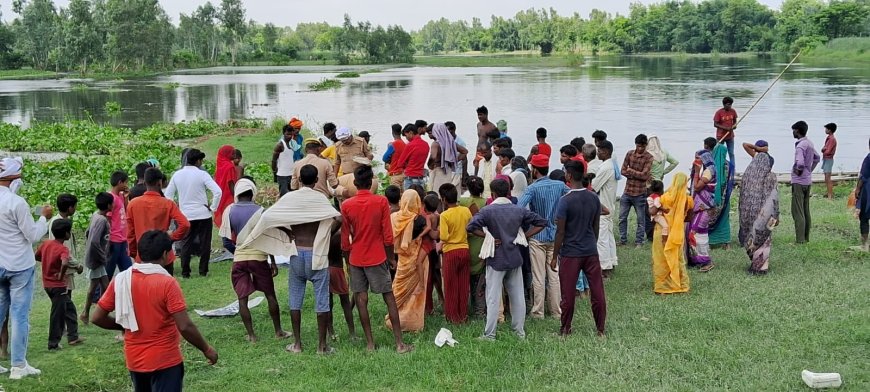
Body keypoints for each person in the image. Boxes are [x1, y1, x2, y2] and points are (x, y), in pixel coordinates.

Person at [92, 230, 218, 392]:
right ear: (165, 254)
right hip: (165, 361)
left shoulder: (121, 279)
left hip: (135, 361)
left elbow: (97, 317)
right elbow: (185, 326)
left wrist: (124, 326)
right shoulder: (167, 283)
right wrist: (207, 349)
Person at [340, 166, 413, 353]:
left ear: (355, 183)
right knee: (388, 296)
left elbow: (345, 238)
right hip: (377, 256)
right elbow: (387, 236)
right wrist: (391, 258)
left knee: (361, 299)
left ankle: (370, 344)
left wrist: (348, 260)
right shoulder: (381, 202)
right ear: (372, 182)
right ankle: (399, 343)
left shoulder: (347, 205)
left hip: (356, 258)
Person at [467, 179, 546, 341]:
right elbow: (541, 222)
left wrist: (488, 236)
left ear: (493, 193)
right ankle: (519, 332)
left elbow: (471, 227)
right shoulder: (518, 210)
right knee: (517, 296)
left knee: (493, 297)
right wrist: (525, 235)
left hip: (496, 259)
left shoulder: (487, 211)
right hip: (514, 257)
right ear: (509, 191)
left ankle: (490, 334)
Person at [218, 178, 289, 343]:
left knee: (242, 299)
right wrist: (271, 260)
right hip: (259, 257)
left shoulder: (229, 210)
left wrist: (239, 252)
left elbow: (226, 241)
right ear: (252, 192)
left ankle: (251, 335)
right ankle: (278, 331)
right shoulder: (262, 211)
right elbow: (269, 238)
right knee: (270, 295)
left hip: (240, 259)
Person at [0, 157, 52, 378]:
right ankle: (18, 366)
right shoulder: (17, 203)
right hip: (20, 266)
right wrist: (43, 218)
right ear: (13, 178)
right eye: (19, 176)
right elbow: (32, 235)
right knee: (19, 315)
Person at [551, 160, 607, 336]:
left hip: (571, 253)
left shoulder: (565, 201)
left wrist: (554, 256)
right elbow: (595, 226)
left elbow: (560, 232)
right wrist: (591, 243)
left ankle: (565, 328)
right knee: (597, 291)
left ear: (568, 175)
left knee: (567, 294)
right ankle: (600, 329)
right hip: (590, 251)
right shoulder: (593, 198)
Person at [518, 154, 568, 320]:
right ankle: (556, 311)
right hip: (555, 236)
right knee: (554, 275)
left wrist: (529, 217)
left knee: (538, 276)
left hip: (537, 236)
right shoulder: (560, 185)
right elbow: (573, 197)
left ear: (534, 170)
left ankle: (538, 311)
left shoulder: (532, 188)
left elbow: (519, 207)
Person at [165, 149, 222, 278]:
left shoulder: (177, 175)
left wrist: (176, 208)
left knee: (186, 243)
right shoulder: (202, 174)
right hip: (203, 214)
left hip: (185, 215)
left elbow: (168, 195)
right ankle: (203, 271)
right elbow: (218, 192)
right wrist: (213, 207)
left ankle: (186, 272)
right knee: (205, 243)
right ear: (198, 161)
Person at [126, 168, 190, 275]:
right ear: (160, 183)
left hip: (142, 255)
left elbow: (130, 234)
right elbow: (185, 225)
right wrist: (171, 237)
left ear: (145, 182)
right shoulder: (168, 204)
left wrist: (133, 253)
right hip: (164, 255)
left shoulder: (132, 204)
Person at [37, 219, 85, 351]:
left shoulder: (46, 244)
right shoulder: (63, 248)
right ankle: (53, 344)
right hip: (58, 285)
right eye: (69, 231)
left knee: (69, 309)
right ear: (66, 234)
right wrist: (60, 273)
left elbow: (37, 256)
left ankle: (73, 336)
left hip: (47, 284)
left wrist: (47, 262)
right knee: (57, 314)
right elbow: (64, 262)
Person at [388, 190, 430, 332]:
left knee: (398, 289)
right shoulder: (419, 220)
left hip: (401, 259)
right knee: (414, 292)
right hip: (416, 258)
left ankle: (394, 318)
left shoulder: (393, 217)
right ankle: (411, 321)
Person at [652, 173, 692, 294]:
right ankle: (681, 285)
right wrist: (677, 217)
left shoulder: (665, 198)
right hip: (677, 233)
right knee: (678, 259)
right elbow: (689, 218)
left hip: (661, 232)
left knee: (661, 258)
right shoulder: (688, 200)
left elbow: (653, 211)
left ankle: (662, 287)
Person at [740, 152, 780, 274]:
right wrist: (776, 215)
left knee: (751, 235)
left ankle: (754, 262)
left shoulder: (748, 175)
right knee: (764, 239)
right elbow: (774, 198)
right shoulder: (770, 177)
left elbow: (742, 196)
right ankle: (760, 267)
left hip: (747, 214)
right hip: (765, 214)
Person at [438, 184, 472, 324]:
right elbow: (470, 229)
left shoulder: (444, 215)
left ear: (444, 199)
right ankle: (463, 315)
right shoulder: (466, 211)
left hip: (450, 252)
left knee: (451, 285)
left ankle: (452, 317)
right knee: (463, 285)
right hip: (464, 249)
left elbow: (444, 237)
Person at [687, 139, 722, 272]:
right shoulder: (705, 169)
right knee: (695, 232)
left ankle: (707, 261)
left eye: (698, 158)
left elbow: (697, 187)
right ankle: (697, 259)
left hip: (705, 206)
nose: (696, 161)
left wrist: (696, 171)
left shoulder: (708, 171)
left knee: (698, 233)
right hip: (700, 206)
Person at [80, 192, 114, 325]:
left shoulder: (96, 215)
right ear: (108, 205)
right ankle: (86, 313)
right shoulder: (102, 220)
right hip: (96, 259)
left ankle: (102, 311)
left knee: (105, 285)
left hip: (95, 257)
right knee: (94, 287)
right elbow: (94, 241)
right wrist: (102, 256)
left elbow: (87, 232)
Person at [590, 141, 620, 276]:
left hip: (603, 207)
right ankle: (612, 261)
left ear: (607, 152)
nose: (598, 153)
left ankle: (604, 267)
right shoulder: (611, 164)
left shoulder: (606, 168)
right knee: (608, 235)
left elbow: (594, 187)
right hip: (610, 204)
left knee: (602, 238)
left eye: (600, 151)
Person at [459, 176, 487, 316]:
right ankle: (479, 309)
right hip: (481, 243)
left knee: (466, 278)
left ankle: (465, 307)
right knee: (480, 280)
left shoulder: (463, 201)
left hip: (466, 242)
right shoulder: (487, 203)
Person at [619, 134, 653, 247]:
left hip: (640, 193)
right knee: (622, 218)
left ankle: (639, 241)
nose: (640, 149)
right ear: (635, 145)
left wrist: (631, 171)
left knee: (641, 220)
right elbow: (622, 170)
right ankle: (623, 239)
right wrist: (635, 174)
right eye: (639, 146)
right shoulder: (629, 154)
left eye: (642, 146)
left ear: (646, 145)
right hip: (627, 191)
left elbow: (644, 175)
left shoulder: (649, 157)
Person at [791, 121, 821, 244]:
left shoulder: (800, 146)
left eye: (793, 130)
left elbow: (800, 163)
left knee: (797, 211)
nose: (793, 132)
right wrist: (809, 171)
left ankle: (800, 240)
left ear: (797, 130)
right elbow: (817, 158)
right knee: (805, 209)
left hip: (798, 182)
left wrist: (799, 171)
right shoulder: (809, 143)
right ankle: (806, 237)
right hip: (807, 181)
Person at [47, 194, 81, 289]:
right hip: (63, 267)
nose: (75, 209)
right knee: (65, 295)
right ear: (69, 208)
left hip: (64, 266)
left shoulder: (56, 220)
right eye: (74, 206)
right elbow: (65, 250)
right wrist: (77, 265)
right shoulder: (61, 224)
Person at [326, 231, 356, 339]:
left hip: (325, 268)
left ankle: (331, 333)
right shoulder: (341, 235)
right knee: (346, 303)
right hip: (338, 269)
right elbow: (346, 252)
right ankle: (352, 334)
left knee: (328, 304)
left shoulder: (325, 233)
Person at [708, 142, 735, 249]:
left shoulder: (712, 166)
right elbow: (730, 182)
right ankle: (726, 243)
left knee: (710, 219)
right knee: (724, 219)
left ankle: (710, 242)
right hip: (726, 198)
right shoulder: (729, 165)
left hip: (714, 198)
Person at [422, 194, 444, 315]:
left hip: (428, 247)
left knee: (429, 278)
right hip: (434, 248)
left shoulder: (428, 217)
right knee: (435, 275)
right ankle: (440, 299)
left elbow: (433, 235)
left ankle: (428, 306)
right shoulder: (437, 215)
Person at [107, 171, 132, 277]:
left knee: (128, 270)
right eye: (125, 183)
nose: (127, 185)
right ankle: (100, 293)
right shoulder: (110, 198)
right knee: (108, 270)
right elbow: (107, 217)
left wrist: (126, 198)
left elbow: (125, 210)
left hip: (123, 239)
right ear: (120, 182)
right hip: (114, 239)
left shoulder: (121, 196)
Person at [428, 123, 465, 191]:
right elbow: (464, 151)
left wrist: (430, 165)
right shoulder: (451, 142)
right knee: (444, 192)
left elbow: (433, 157)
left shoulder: (436, 144)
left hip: (438, 170)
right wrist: (454, 160)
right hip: (448, 170)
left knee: (435, 192)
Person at [393, 123, 430, 190]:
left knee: (408, 199)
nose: (406, 138)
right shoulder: (426, 145)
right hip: (421, 178)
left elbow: (399, 164)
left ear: (410, 133)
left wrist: (406, 164)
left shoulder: (410, 145)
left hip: (410, 178)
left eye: (406, 136)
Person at [273, 122, 303, 196]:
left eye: (291, 134)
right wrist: (274, 172)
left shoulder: (292, 144)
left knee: (292, 194)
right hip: (282, 174)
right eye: (287, 134)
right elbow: (274, 160)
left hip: (291, 174)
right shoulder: (280, 145)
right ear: (283, 133)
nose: (289, 136)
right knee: (284, 195)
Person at [213, 145, 239, 228]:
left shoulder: (220, 165)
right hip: (228, 196)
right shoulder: (230, 167)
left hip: (221, 195)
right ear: (227, 154)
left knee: (224, 218)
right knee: (230, 219)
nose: (234, 156)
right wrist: (236, 196)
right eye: (232, 153)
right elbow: (231, 183)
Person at [714, 96, 738, 164]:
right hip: (721, 136)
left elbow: (735, 122)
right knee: (719, 153)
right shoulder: (719, 112)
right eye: (728, 104)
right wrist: (726, 128)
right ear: (724, 104)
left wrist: (734, 126)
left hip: (730, 136)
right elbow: (715, 124)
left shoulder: (733, 111)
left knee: (731, 153)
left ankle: (732, 169)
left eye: (731, 104)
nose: (730, 106)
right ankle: (720, 166)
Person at [855, 138, 870, 251]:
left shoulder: (868, 158)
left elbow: (863, 176)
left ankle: (864, 245)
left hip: (868, 191)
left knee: (864, 217)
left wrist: (857, 189)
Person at [821, 123, 838, 199]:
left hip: (828, 159)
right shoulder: (829, 138)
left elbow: (827, 151)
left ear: (830, 130)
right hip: (826, 159)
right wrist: (823, 149)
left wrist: (824, 150)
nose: (825, 130)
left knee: (828, 178)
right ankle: (828, 192)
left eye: (826, 129)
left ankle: (830, 195)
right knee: (826, 177)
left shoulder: (832, 139)